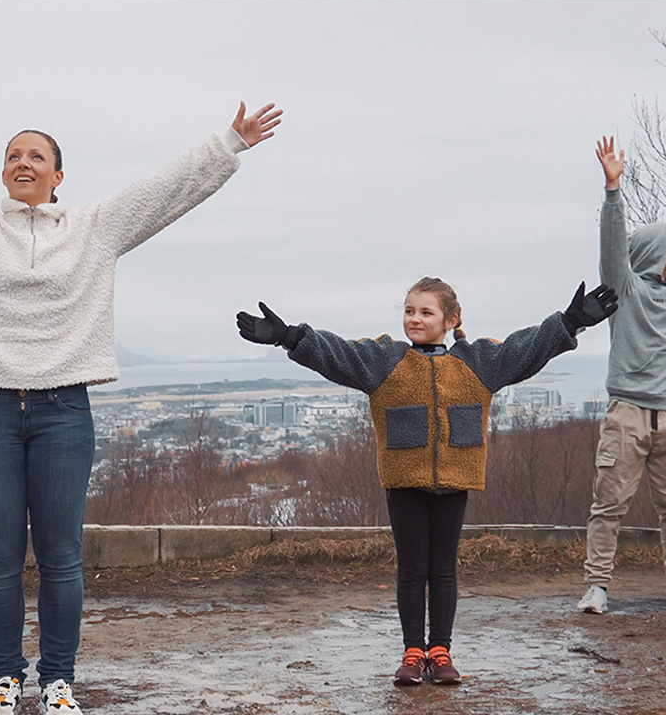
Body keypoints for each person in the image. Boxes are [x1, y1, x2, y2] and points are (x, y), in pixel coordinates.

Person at [0, 41, 280, 715]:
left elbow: (165, 191)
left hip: (66, 410)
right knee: (0, 556)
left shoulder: (94, 228)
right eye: (13, 155)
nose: (22, 163)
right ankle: (5, 676)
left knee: (61, 556)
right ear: (3, 174)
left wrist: (227, 144)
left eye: (36, 155)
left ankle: (58, 678)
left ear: (59, 175)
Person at [237, 276, 617, 686]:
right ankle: (413, 652)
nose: (414, 319)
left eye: (425, 312)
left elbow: (525, 349)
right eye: (409, 311)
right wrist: (288, 337)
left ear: (452, 319)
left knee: (444, 570)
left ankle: (441, 651)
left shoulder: (477, 362)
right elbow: (337, 354)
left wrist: (571, 321)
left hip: (455, 479)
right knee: (412, 569)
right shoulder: (385, 360)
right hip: (404, 482)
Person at [578, 136, 666, 615]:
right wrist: (613, 190)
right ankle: (597, 587)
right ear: (657, 250)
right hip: (628, 414)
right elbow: (614, 251)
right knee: (609, 505)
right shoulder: (626, 290)